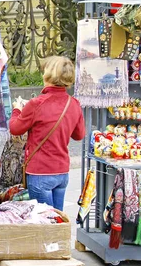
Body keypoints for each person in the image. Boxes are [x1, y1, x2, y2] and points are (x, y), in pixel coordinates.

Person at [9, 56, 85, 211]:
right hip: (62, 171)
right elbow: (79, 135)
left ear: (49, 75)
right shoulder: (74, 103)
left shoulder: (37, 103)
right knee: (57, 220)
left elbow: (15, 128)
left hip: (40, 172)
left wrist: (17, 109)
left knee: (44, 224)